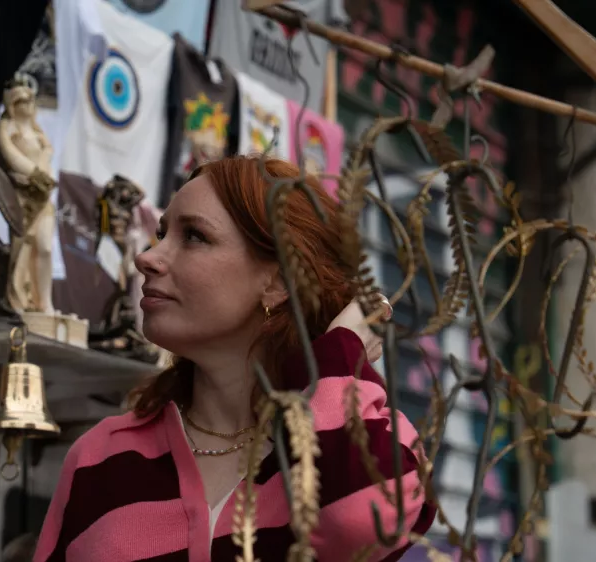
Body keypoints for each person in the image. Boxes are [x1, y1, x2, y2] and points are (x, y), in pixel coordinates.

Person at [34, 156, 437, 562]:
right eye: (161, 233)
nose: (147, 257)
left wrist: (340, 351)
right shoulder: (100, 457)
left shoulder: (376, 439)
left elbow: (357, 523)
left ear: (278, 282)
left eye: (193, 236)